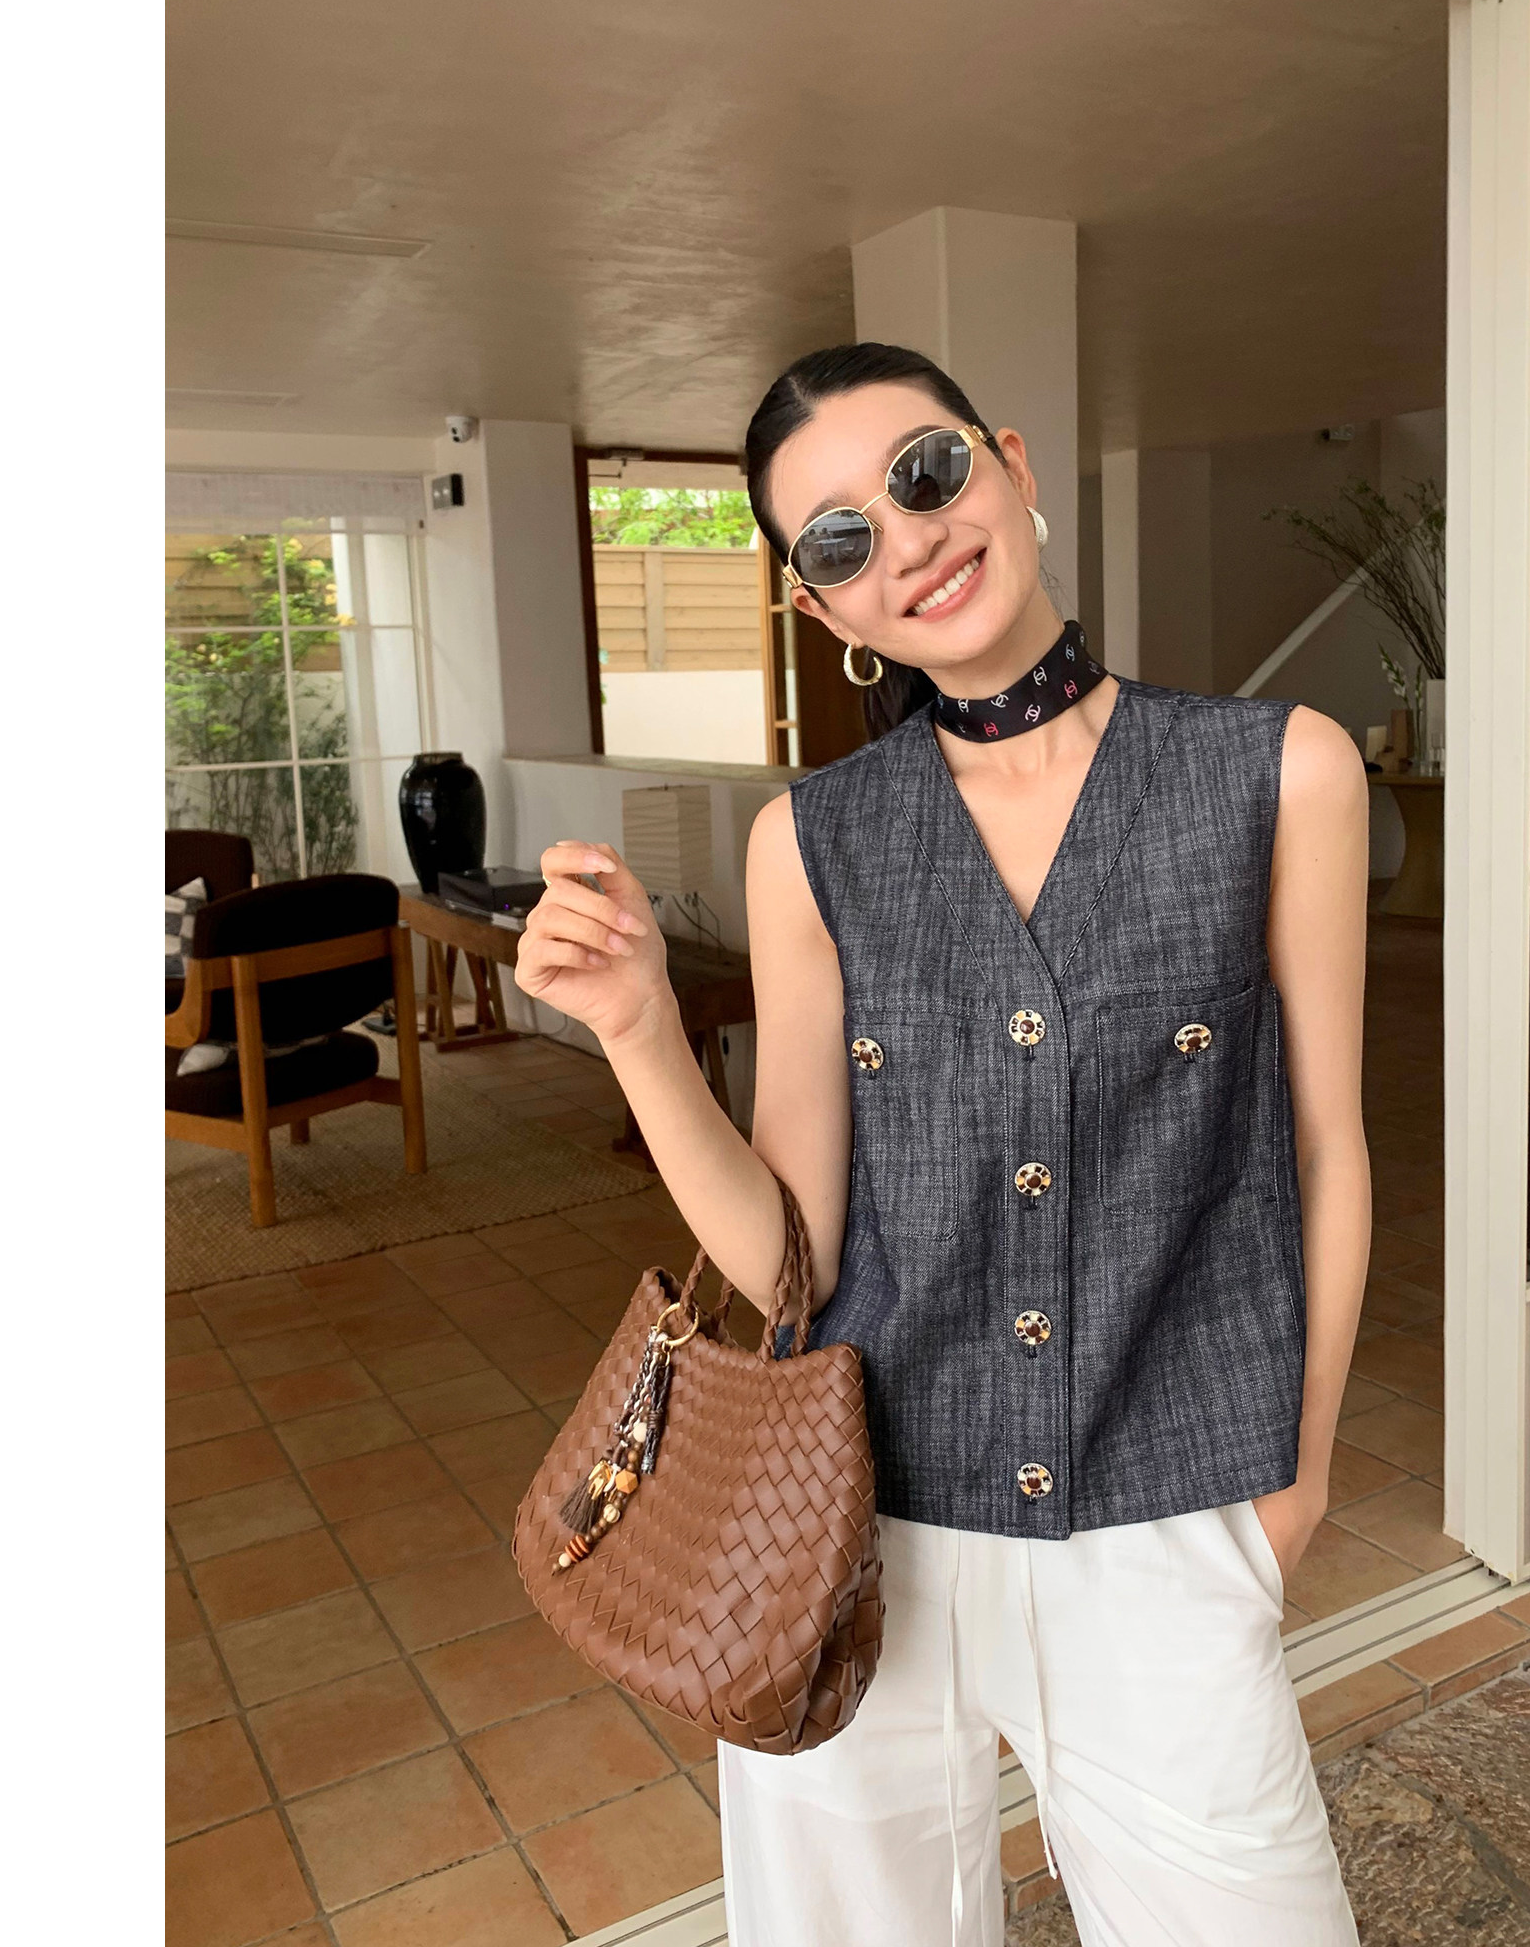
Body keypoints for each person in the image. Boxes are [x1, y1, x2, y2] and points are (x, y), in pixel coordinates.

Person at [514, 342, 1371, 1946]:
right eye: (839, 539)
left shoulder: (1279, 772)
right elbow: (794, 1256)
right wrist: (637, 1030)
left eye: (926, 473)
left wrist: (1298, 1485)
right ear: (822, 606)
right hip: (854, 1533)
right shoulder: (810, 843)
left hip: (1170, 1514)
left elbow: (1327, 1147)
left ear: (1013, 466)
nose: (907, 539)